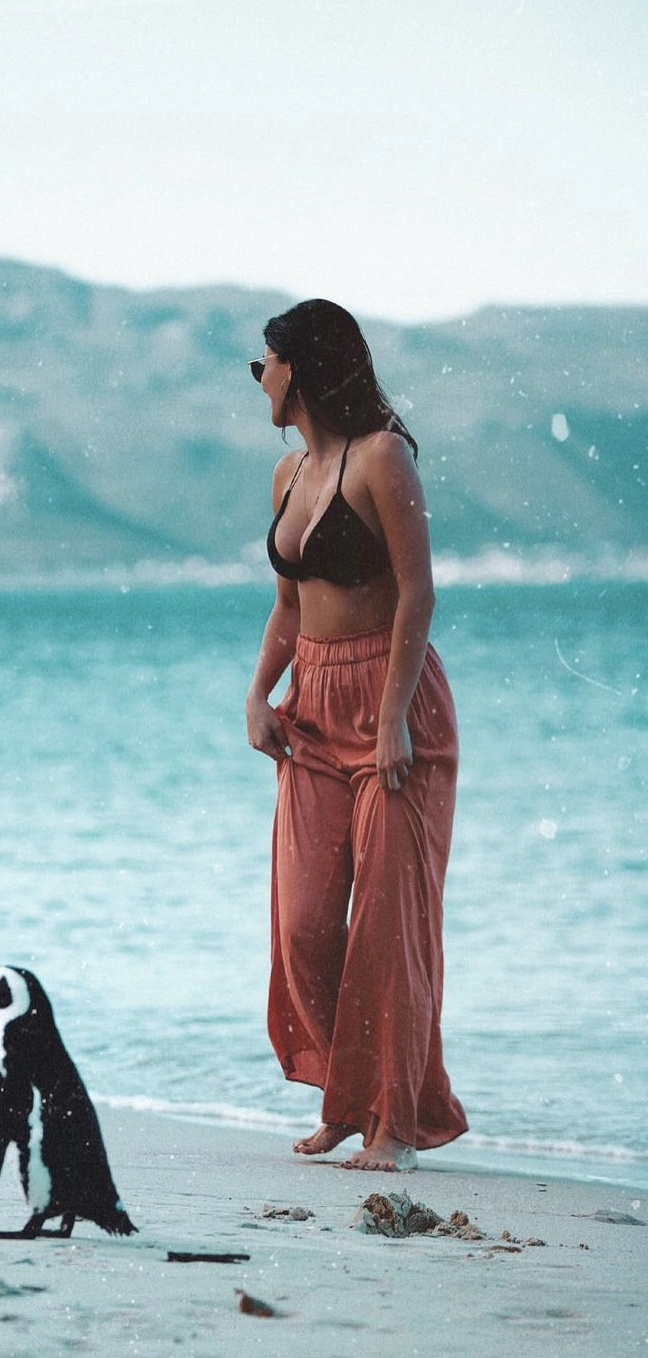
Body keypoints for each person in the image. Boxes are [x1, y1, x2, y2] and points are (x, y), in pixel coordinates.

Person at [245, 299, 467, 1172]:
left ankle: (394, 1126)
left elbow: (418, 593)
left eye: (261, 362)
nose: (256, 378)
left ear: (299, 366)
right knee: (303, 924)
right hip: (313, 707)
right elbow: (288, 606)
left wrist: (391, 722)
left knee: (387, 924)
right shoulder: (287, 475)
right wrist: (260, 693)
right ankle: (347, 1096)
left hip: (393, 710)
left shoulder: (383, 458)